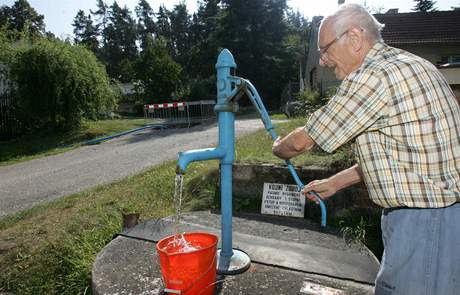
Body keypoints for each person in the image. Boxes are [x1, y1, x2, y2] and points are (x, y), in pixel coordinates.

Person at [272, 4, 460, 295]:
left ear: (355, 38)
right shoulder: (412, 63)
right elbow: (400, 155)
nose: (322, 61)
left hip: (425, 222)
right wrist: (335, 182)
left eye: (325, 50)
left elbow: (303, 141)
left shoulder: (374, 75)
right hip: (437, 218)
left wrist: (278, 147)